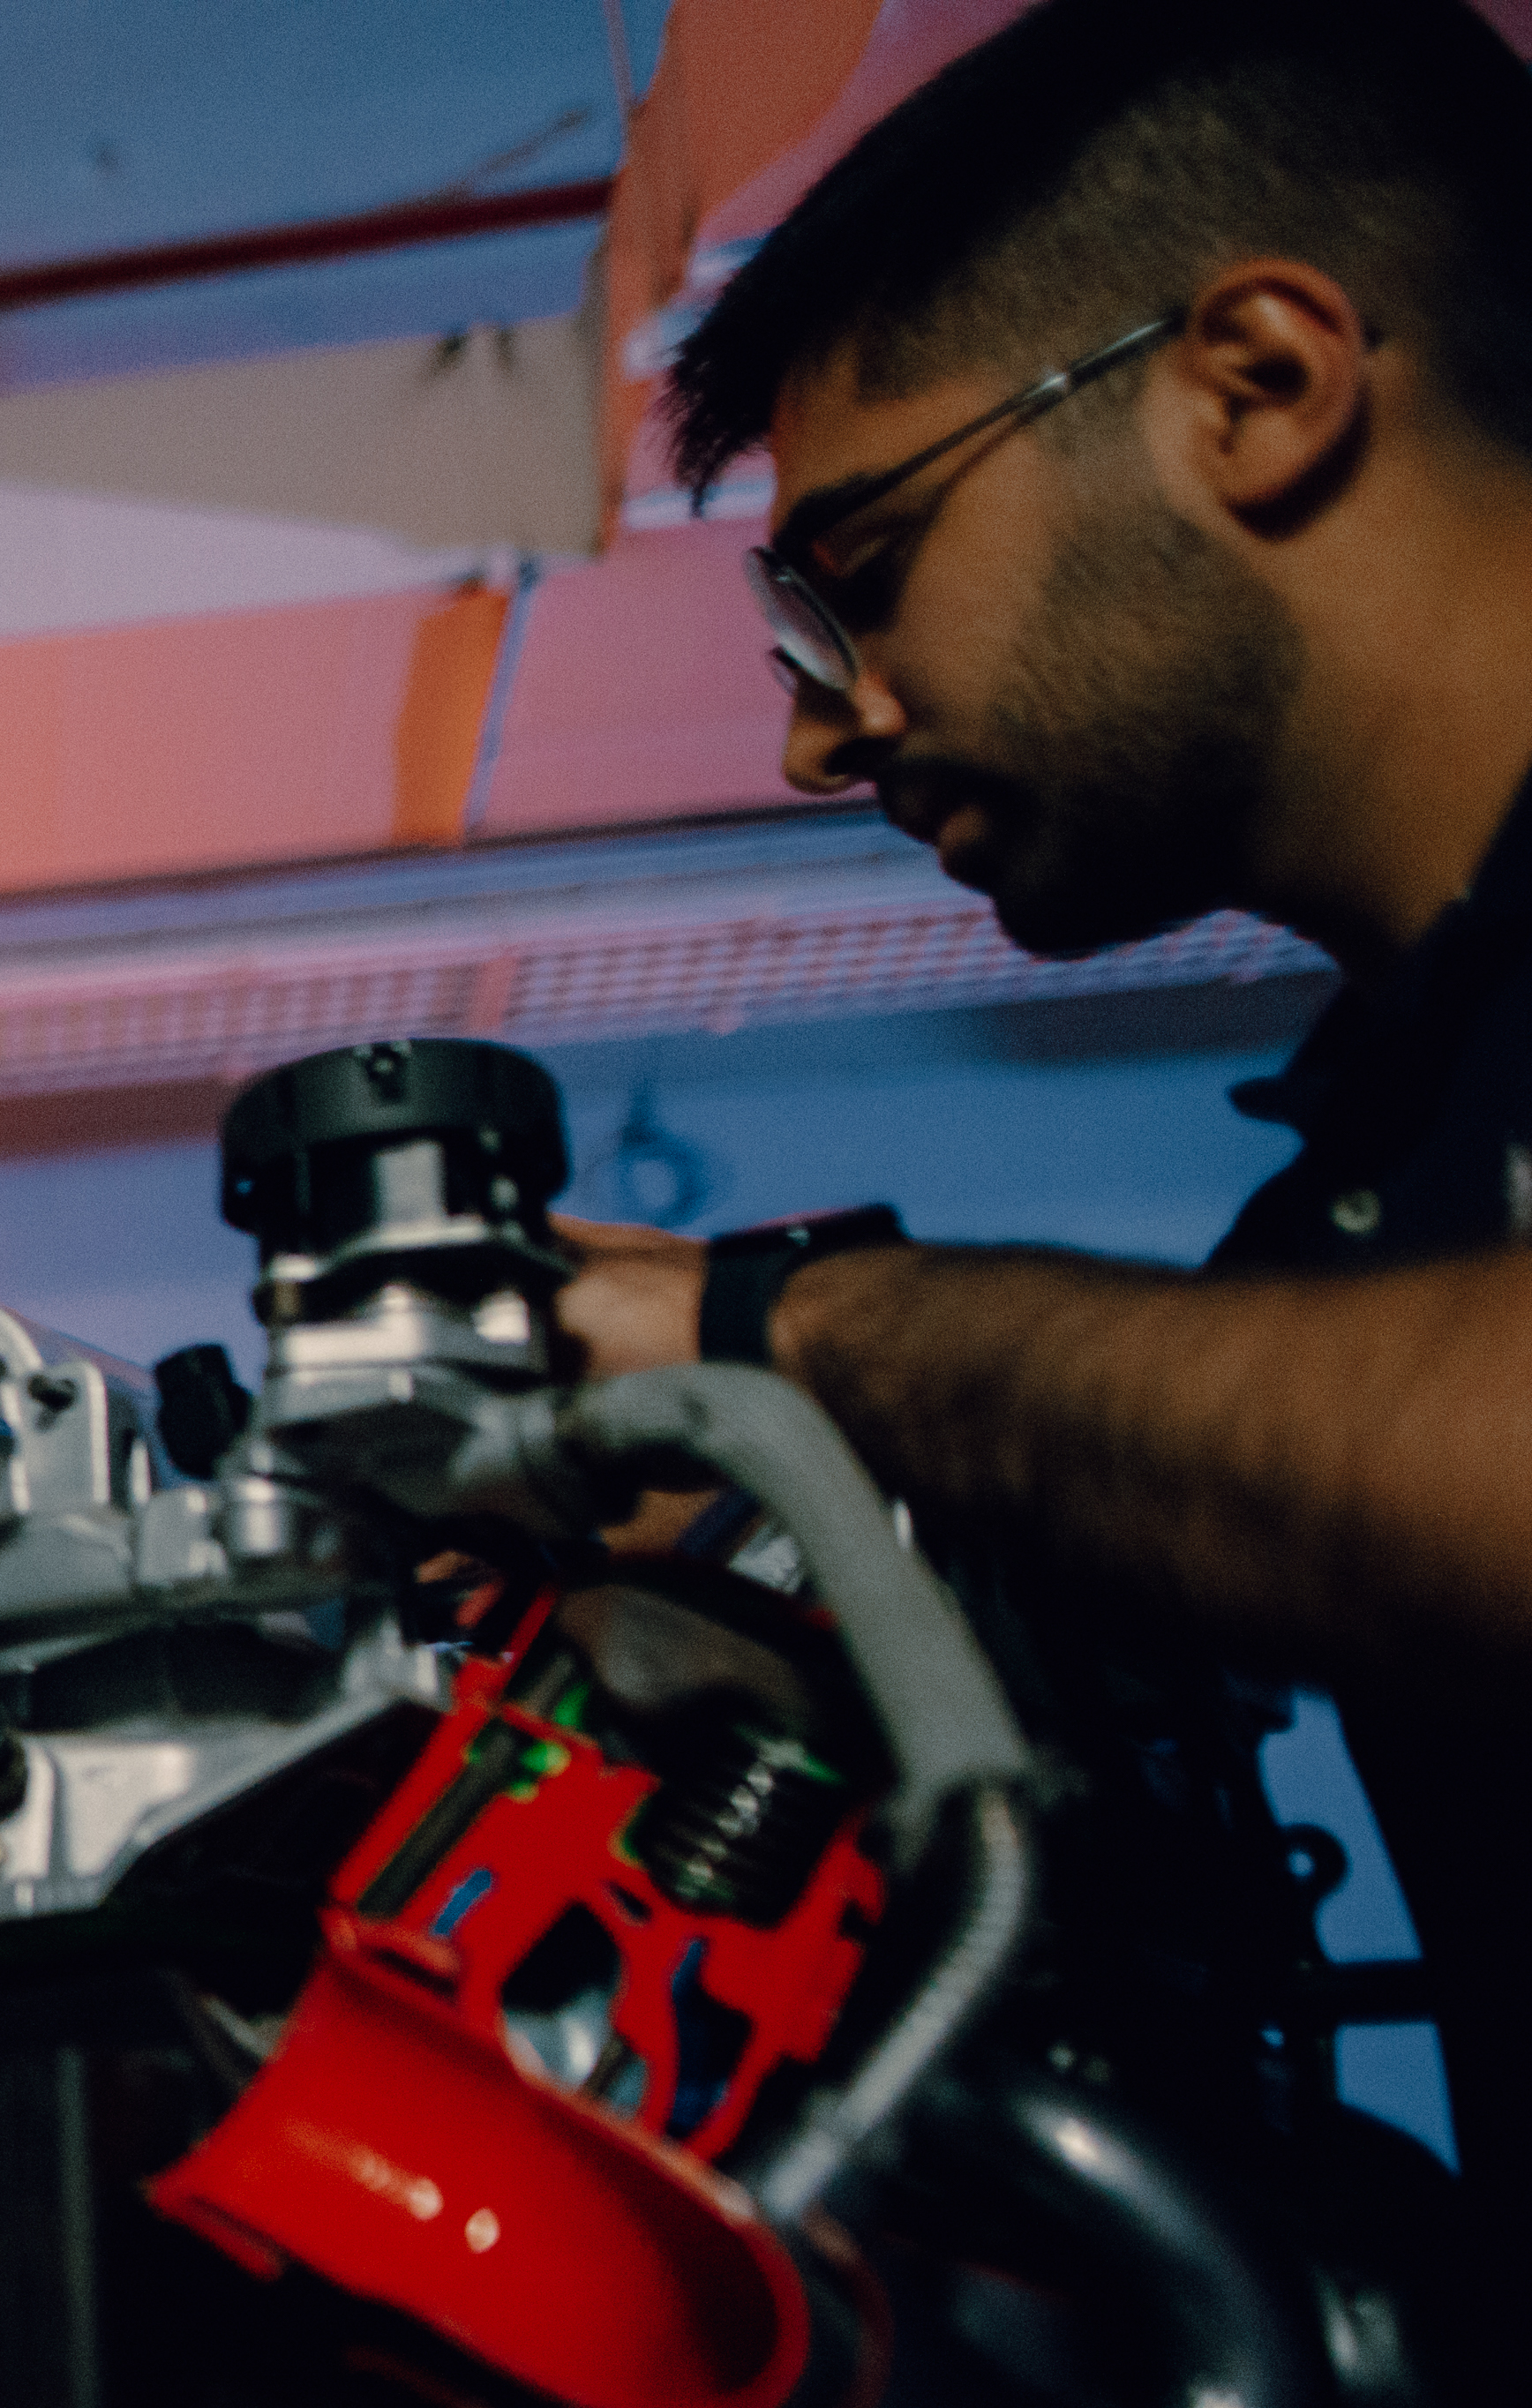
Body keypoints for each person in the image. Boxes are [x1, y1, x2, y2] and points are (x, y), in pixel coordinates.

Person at [620, 0, 1532, 2262]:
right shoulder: (1369, 1206)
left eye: (863, 570)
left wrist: (790, 1339)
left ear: (1259, 385)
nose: (832, 735)